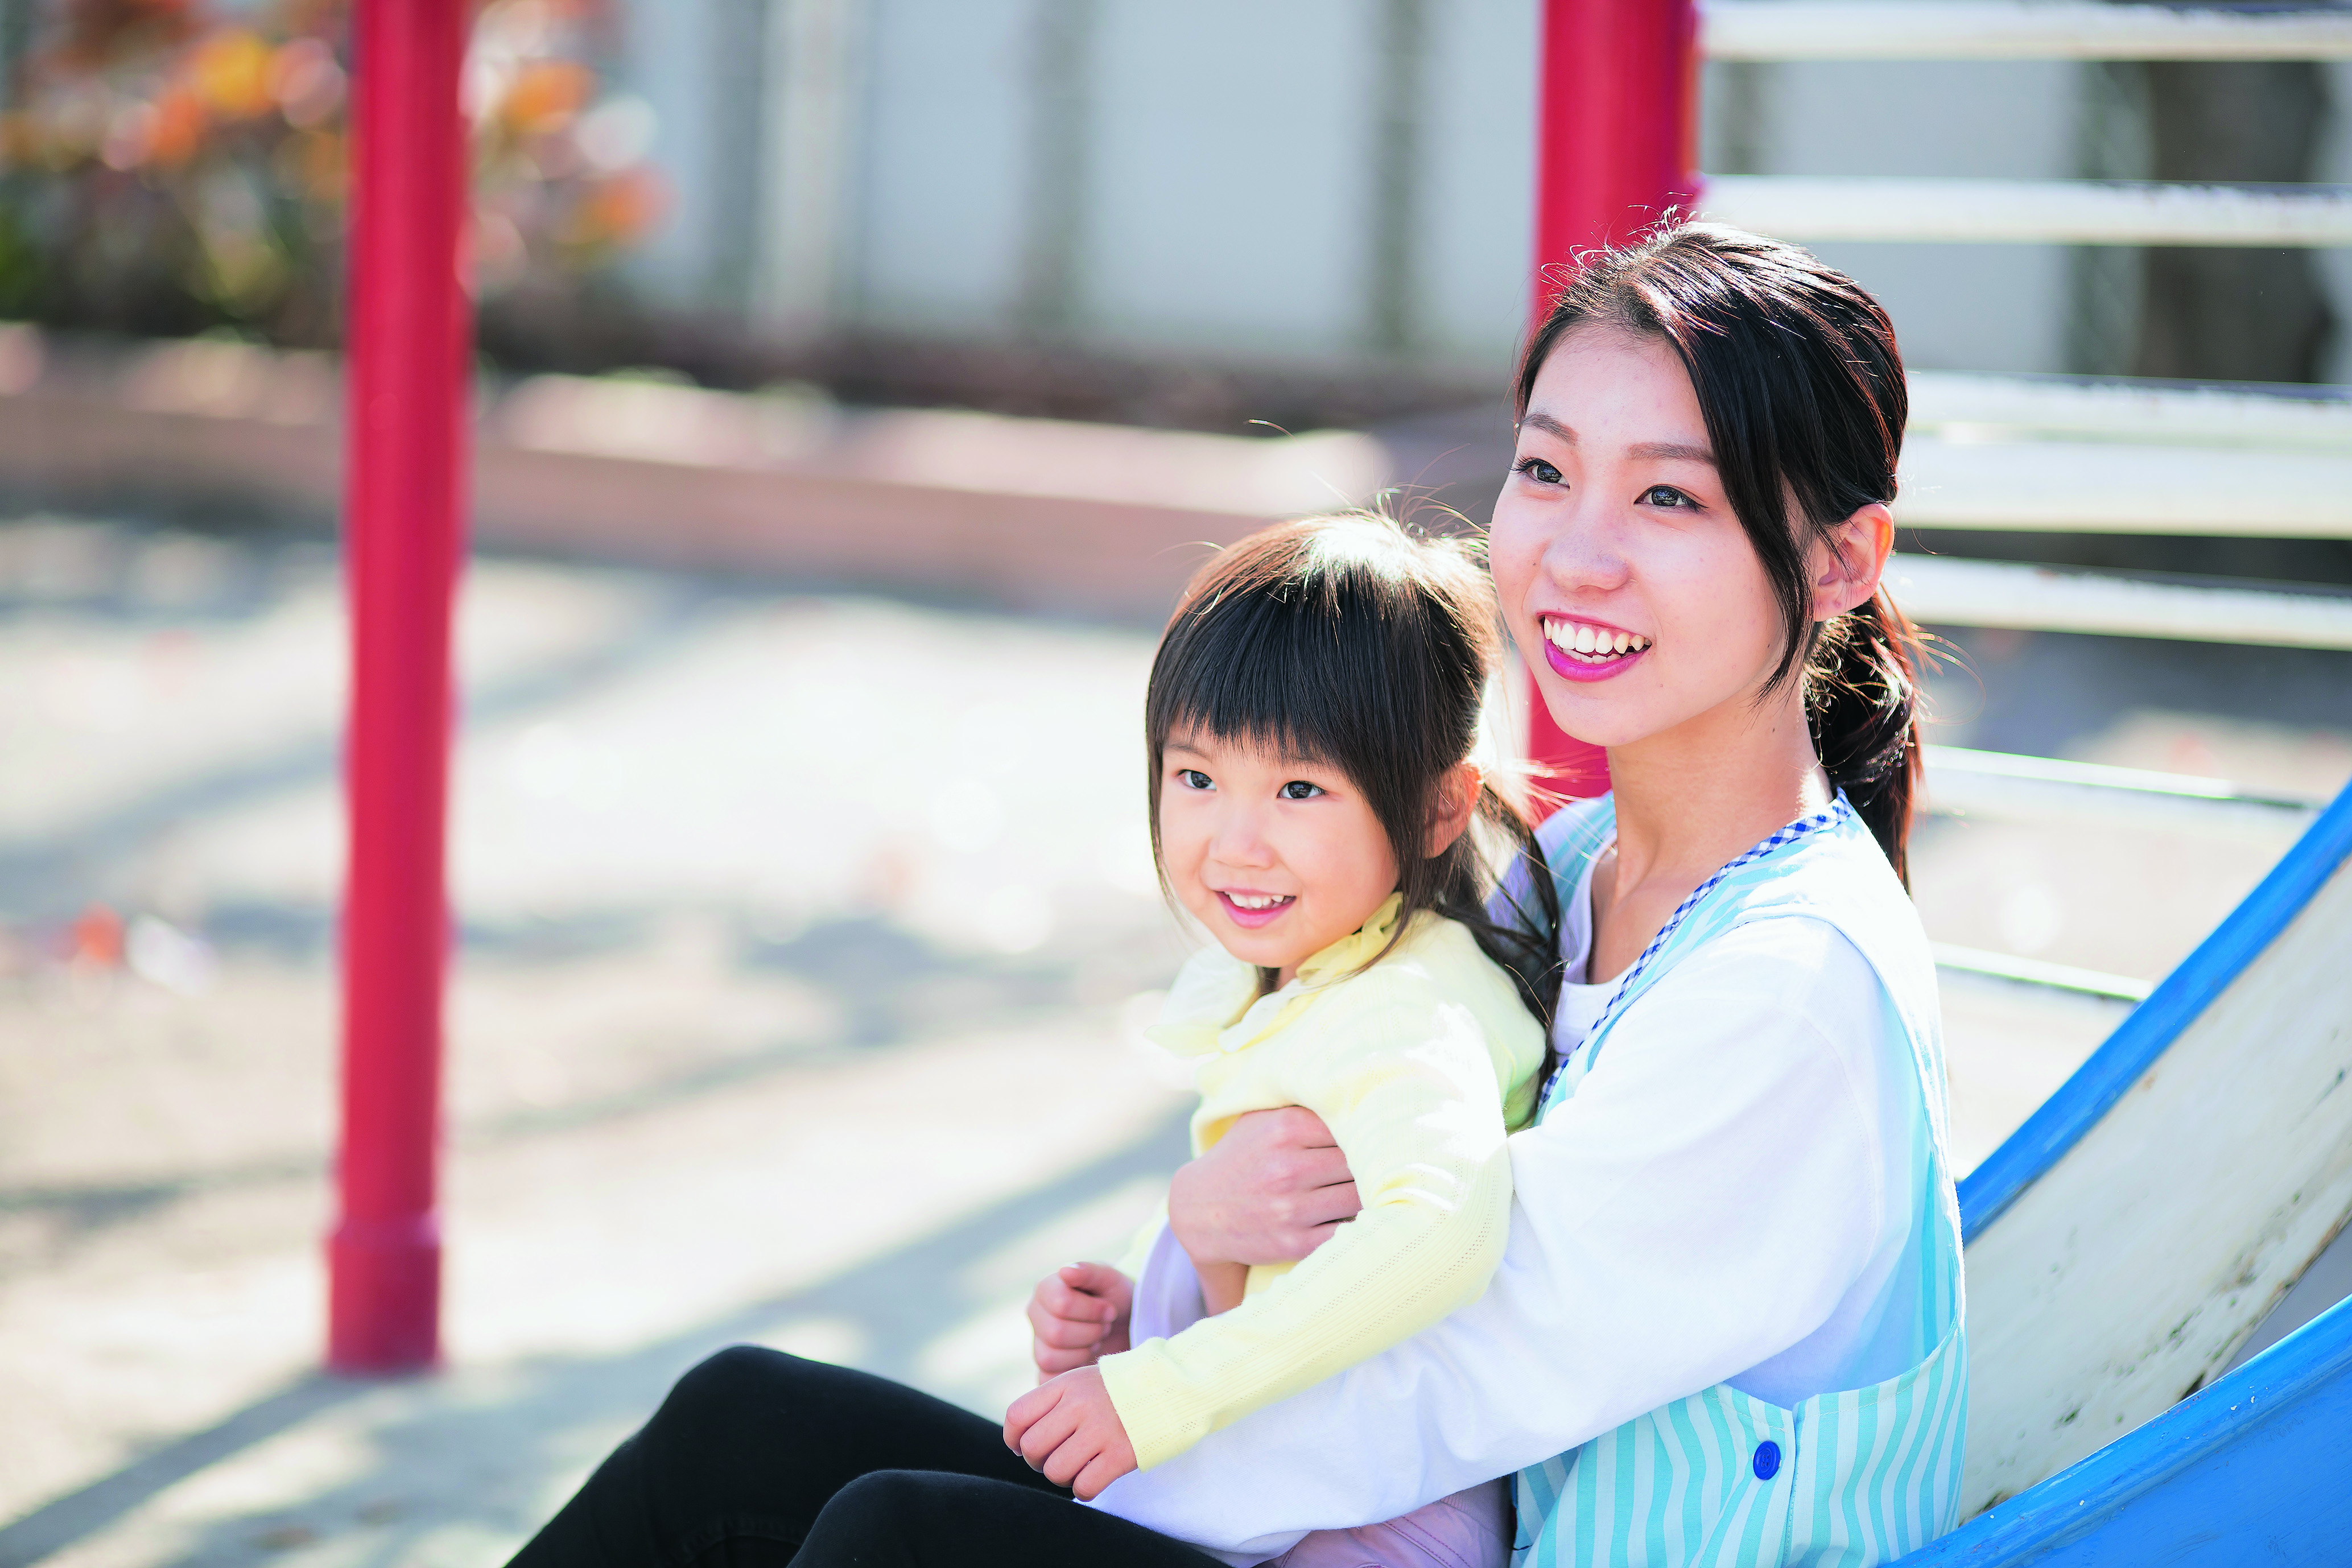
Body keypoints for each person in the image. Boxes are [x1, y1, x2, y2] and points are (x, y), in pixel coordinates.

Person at [501, 220, 1963, 1568]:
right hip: (1343, 1501)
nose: (1577, 551)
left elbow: (1446, 1368)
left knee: (901, 1541)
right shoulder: (1565, 875)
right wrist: (1187, 1265)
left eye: (1668, 496)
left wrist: (1129, 1420)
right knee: (743, 1425)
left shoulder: (1790, 996)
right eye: (1544, 469)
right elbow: (1327, 1199)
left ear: (1839, 559)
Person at [1001, 513, 1561, 1567]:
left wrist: (1156, 1391)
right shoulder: (1329, 974)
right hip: (1287, 1491)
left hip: (1365, 1524)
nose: (1235, 841)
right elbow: (1276, 1256)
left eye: (1299, 788)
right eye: (1196, 777)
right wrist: (1138, 1300)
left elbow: (1440, 1227)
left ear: (1441, 807)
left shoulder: (1409, 1004)